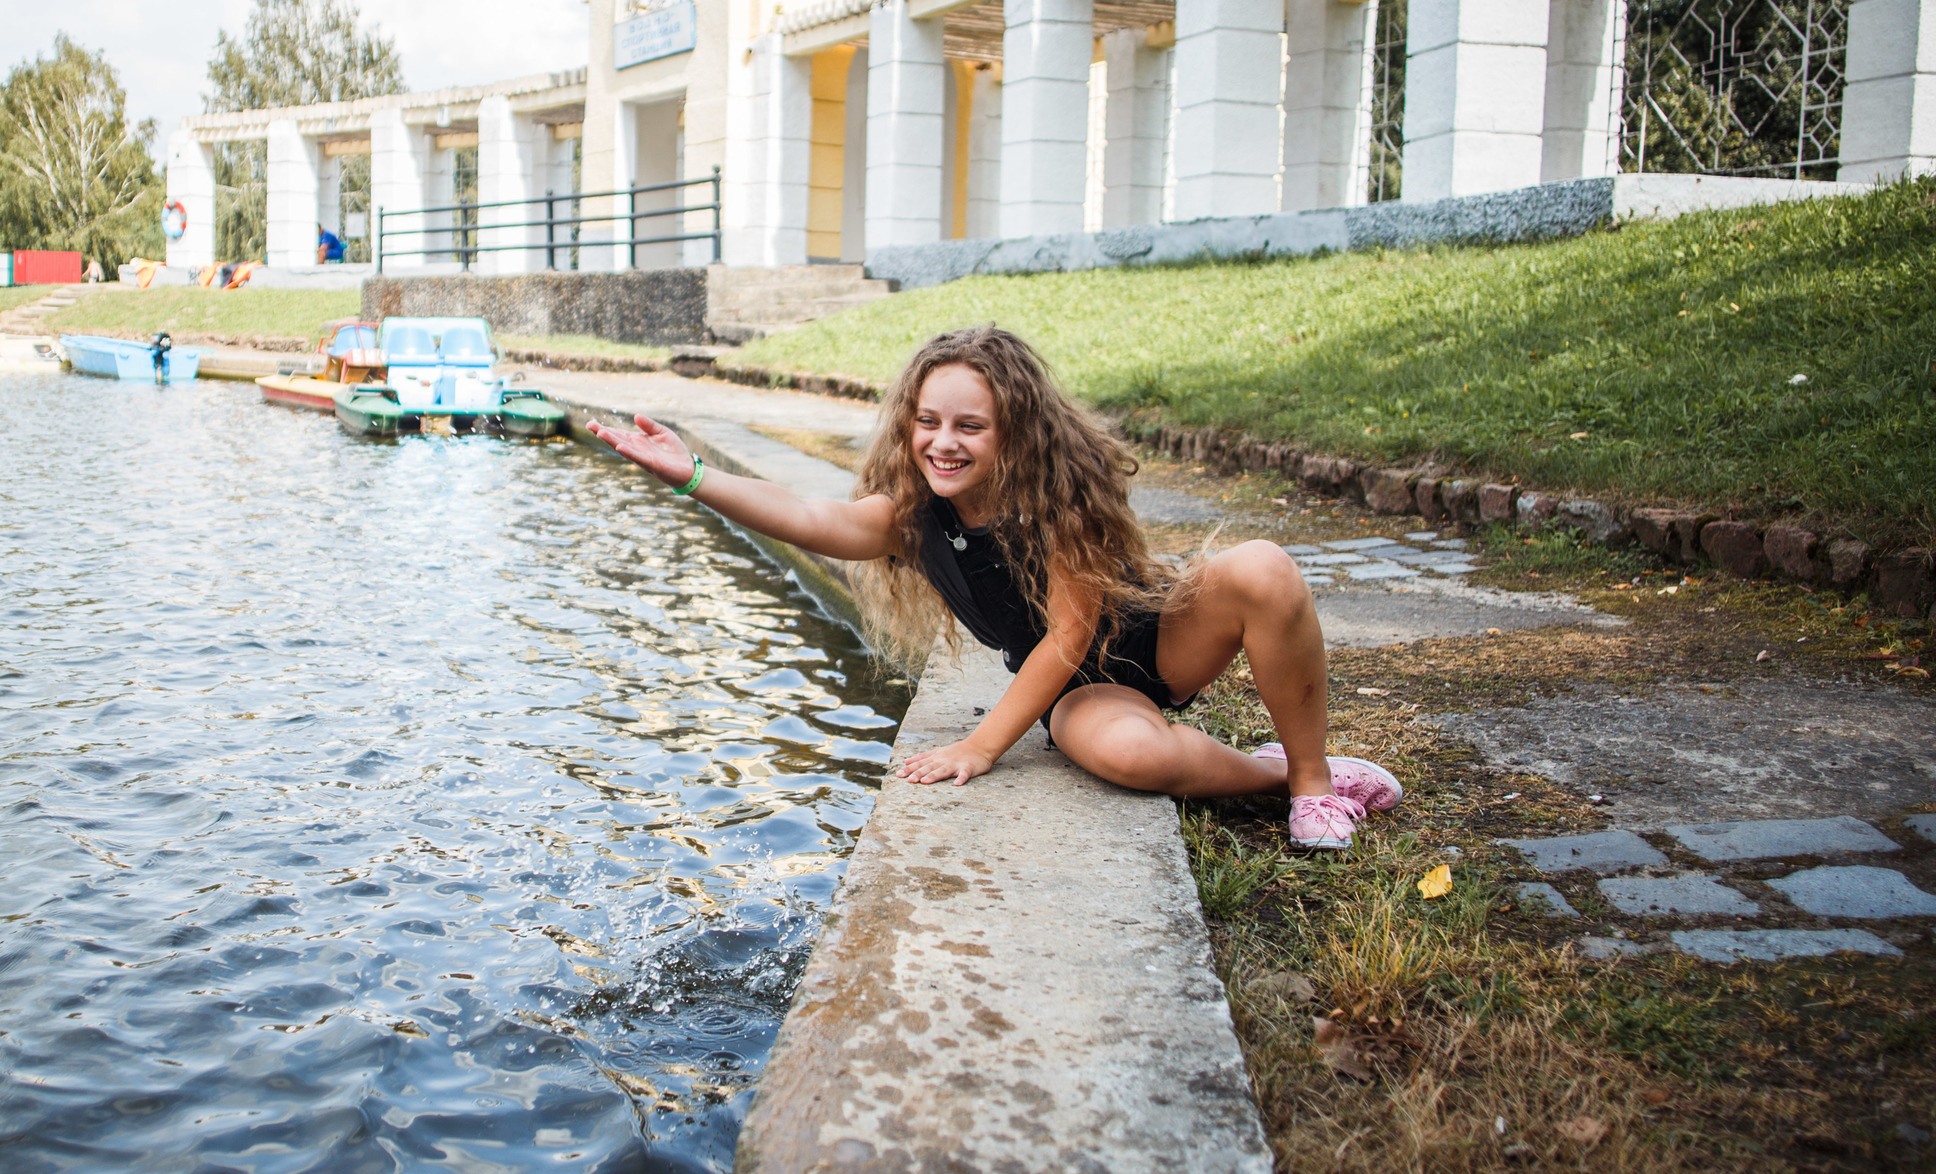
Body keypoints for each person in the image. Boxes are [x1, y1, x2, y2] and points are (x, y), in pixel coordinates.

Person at [586, 325, 1400, 850]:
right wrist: (693, 474)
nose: (943, 442)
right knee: (1132, 755)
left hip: (1159, 637)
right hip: (1085, 695)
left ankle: (1314, 782)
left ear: (1014, 432)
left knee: (1263, 565)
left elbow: (1072, 634)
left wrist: (980, 747)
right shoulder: (913, 518)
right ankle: (1270, 774)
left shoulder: (1059, 501)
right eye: (928, 421)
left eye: (969, 426)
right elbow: (808, 515)